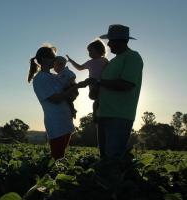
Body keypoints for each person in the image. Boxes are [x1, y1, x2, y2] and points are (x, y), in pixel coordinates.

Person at [82, 24, 143, 160]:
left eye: (111, 40)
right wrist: (94, 92)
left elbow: (126, 85)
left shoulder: (132, 57)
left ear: (122, 41)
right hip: (103, 114)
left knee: (113, 158)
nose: (108, 44)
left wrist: (98, 82)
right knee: (105, 158)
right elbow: (102, 87)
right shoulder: (111, 62)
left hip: (119, 116)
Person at [28, 45, 77, 160]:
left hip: (65, 121)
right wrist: (75, 87)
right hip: (56, 123)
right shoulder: (40, 79)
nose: (55, 60)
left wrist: (74, 89)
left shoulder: (55, 76)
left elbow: (69, 95)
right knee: (57, 158)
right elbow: (56, 99)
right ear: (44, 58)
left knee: (61, 157)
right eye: (53, 57)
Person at [66, 40, 109, 122]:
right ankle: (95, 116)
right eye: (88, 51)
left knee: (100, 99)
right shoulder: (90, 62)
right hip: (92, 85)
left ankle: (98, 115)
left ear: (99, 50)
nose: (89, 53)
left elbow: (109, 71)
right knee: (95, 99)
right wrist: (71, 61)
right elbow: (79, 68)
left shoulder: (104, 60)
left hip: (101, 84)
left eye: (91, 51)